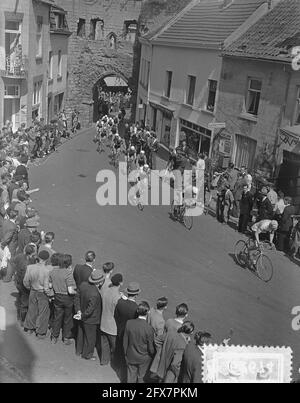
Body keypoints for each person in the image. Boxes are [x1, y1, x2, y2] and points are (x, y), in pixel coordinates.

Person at [74, 269, 105, 360]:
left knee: (80, 334)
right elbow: (90, 310)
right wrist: (82, 315)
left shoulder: (83, 285)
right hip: (91, 319)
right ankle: (87, 354)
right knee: (90, 338)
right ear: (99, 282)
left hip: (81, 314)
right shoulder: (95, 294)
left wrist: (78, 311)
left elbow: (77, 298)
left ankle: (78, 350)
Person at [123, 301, 155, 383]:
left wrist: (126, 354)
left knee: (130, 376)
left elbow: (125, 342)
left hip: (131, 355)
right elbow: (150, 348)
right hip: (144, 357)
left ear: (137, 311)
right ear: (147, 312)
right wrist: (152, 354)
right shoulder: (149, 328)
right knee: (141, 377)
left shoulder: (129, 323)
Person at [114, 282, 140, 382]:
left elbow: (116, 316)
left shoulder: (120, 302)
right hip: (129, 334)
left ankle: (117, 364)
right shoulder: (136, 308)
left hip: (120, 329)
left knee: (119, 348)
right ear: (137, 294)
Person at [49, 254, 76, 345]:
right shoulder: (68, 273)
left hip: (57, 297)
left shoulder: (53, 271)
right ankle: (66, 337)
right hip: (67, 298)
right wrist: (77, 292)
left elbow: (50, 285)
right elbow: (70, 290)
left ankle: (54, 336)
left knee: (57, 317)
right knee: (67, 319)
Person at [23, 250, 51, 338]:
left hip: (33, 290)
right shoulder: (46, 270)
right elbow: (46, 286)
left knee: (32, 309)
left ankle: (30, 327)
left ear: (38, 258)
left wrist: (29, 288)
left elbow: (25, 281)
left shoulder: (30, 267)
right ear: (47, 259)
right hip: (42, 292)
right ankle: (40, 332)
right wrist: (49, 294)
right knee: (43, 313)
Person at [100, 273, 123, 366]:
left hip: (103, 322)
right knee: (115, 347)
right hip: (112, 327)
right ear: (121, 283)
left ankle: (104, 361)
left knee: (104, 345)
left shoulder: (106, 291)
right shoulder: (118, 297)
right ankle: (115, 364)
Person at [13, 244, 36, 326]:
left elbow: (14, 261)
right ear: (32, 253)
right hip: (24, 284)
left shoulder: (20, 256)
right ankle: (22, 320)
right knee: (25, 302)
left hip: (18, 281)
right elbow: (26, 277)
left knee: (21, 298)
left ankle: (20, 316)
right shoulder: (29, 263)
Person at [148, 297, 168, 376]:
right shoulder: (161, 321)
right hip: (153, 340)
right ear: (165, 307)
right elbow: (159, 338)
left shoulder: (152, 310)